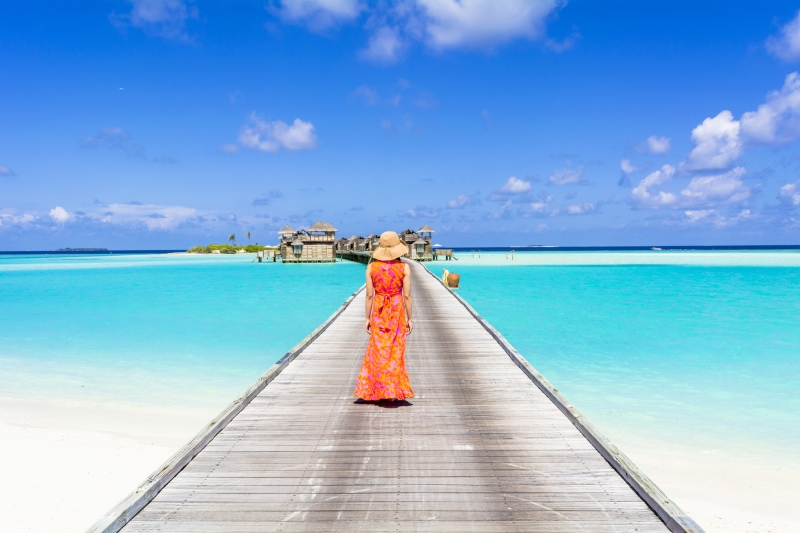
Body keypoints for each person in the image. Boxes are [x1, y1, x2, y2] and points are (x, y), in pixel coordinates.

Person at [353, 231, 414, 402]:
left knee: (379, 350)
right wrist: (410, 318)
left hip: (379, 311)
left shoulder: (372, 267)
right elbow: (407, 296)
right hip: (396, 311)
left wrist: (367, 317)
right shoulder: (404, 267)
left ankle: (379, 391)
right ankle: (390, 391)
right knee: (395, 351)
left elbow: (369, 295)